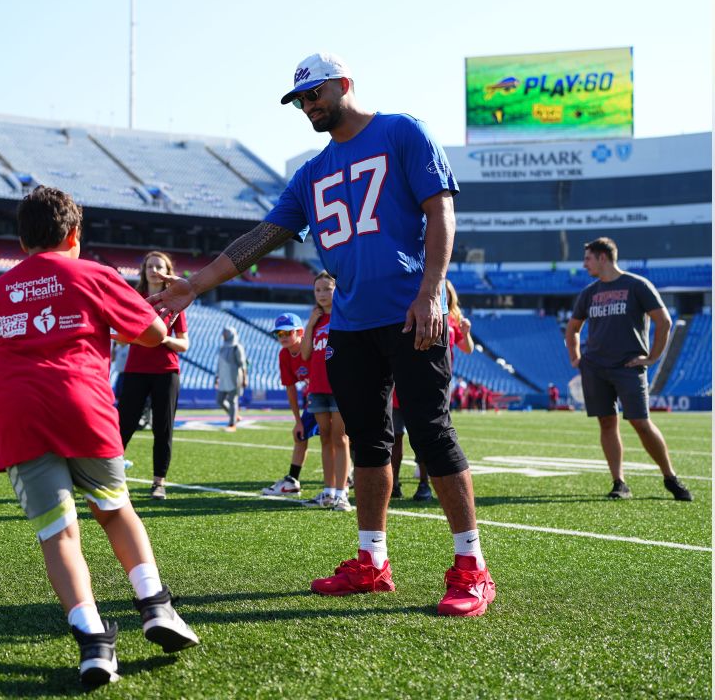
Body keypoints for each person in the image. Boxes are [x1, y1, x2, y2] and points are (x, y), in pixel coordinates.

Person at [148, 52, 495, 616]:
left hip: (410, 311)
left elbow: (440, 210)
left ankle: (471, 568)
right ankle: (372, 561)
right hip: (353, 323)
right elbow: (264, 235)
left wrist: (432, 290)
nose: (309, 106)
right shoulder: (311, 172)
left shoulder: (402, 131)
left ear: (343, 85)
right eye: (301, 101)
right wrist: (197, 284)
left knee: (431, 433)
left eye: (315, 95)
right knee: (368, 443)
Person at [0, 186, 198, 685]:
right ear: (74, 234)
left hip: (22, 415)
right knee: (115, 511)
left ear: (21, 240)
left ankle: (94, 640)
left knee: (59, 532)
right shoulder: (95, 274)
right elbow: (154, 336)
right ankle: (156, 605)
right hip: (85, 407)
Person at [564, 237, 693, 501]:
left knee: (641, 422)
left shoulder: (637, 285)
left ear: (603, 257)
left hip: (628, 366)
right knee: (607, 423)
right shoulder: (589, 292)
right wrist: (576, 358)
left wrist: (652, 358)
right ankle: (619, 482)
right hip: (596, 368)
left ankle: (670, 477)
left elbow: (664, 321)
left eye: (588, 258)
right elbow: (573, 328)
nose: (584, 264)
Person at [393, 279, 475, 502]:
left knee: (427, 435)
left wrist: (466, 332)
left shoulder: (452, 320)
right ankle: (394, 483)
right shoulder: (412, 311)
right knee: (395, 437)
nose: (441, 295)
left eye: (445, 292)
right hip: (403, 378)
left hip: (434, 382)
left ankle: (423, 484)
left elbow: (467, 348)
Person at [117, 251, 190, 501]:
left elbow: (184, 345)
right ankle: (111, 478)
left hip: (166, 372)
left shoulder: (176, 301)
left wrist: (163, 338)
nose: (154, 270)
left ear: (168, 270)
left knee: (163, 429)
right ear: (143, 269)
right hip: (135, 370)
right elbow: (124, 335)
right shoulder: (135, 298)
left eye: (159, 266)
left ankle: (159, 482)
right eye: (150, 265)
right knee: (123, 426)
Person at [299, 271, 353, 512]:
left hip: (341, 385)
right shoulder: (316, 320)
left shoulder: (345, 315)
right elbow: (305, 354)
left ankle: (342, 493)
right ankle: (328, 491)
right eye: (317, 290)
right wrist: (310, 324)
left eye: (327, 289)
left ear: (336, 290)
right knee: (325, 437)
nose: (322, 294)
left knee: (341, 438)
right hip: (318, 386)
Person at [261, 313, 320, 496]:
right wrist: (298, 421)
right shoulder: (284, 354)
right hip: (314, 398)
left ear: (300, 332)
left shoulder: (313, 348)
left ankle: (348, 476)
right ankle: (292, 480)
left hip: (333, 396)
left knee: (338, 437)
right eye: (279, 334)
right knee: (300, 435)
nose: (283, 337)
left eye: (288, 332)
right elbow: (290, 388)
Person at [215, 327, 248, 432]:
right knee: (220, 400)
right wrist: (217, 377)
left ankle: (232, 423)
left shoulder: (237, 347)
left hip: (234, 377)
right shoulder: (222, 348)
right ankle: (234, 415)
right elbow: (219, 364)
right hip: (224, 378)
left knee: (232, 400)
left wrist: (244, 378)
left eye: (225, 333)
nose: (223, 335)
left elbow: (243, 365)